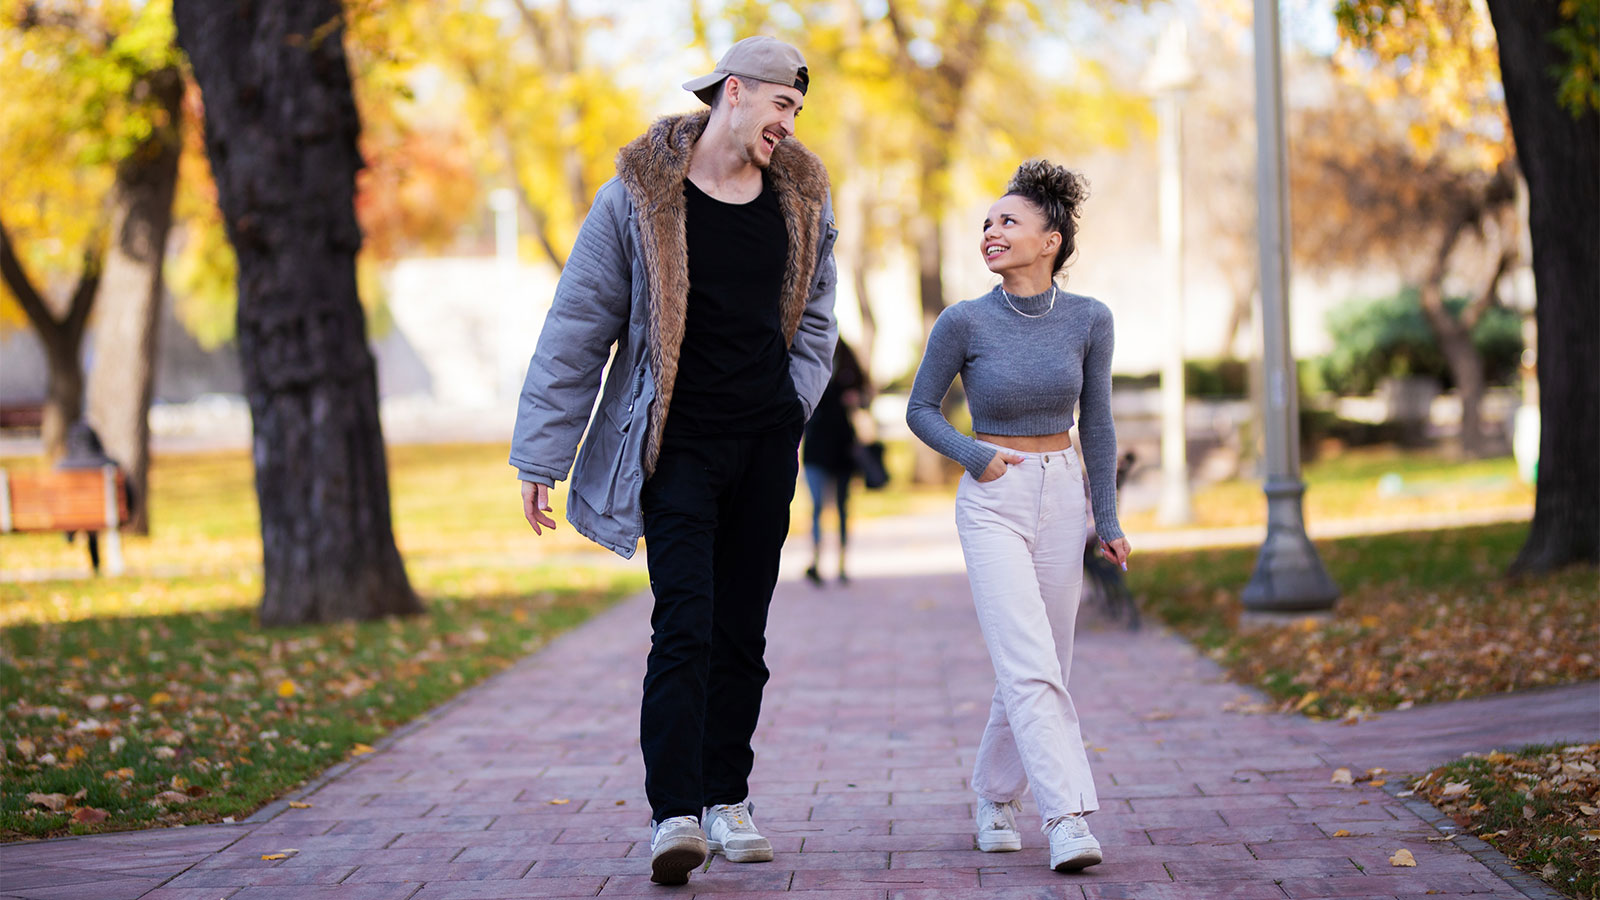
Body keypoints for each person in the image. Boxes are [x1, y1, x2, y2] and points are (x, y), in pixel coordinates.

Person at [508, 36, 838, 887]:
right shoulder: (638, 198)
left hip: (764, 445)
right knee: (684, 625)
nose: (788, 124)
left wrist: (793, 408)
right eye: (781, 106)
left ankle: (729, 797)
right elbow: (578, 327)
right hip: (676, 449)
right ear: (735, 92)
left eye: (795, 112)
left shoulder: (800, 197)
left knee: (743, 634)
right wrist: (542, 454)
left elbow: (815, 320)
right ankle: (676, 815)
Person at [905, 159, 1130, 873]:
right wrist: (975, 455)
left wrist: (1109, 518)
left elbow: (1097, 423)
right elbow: (918, 410)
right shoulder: (964, 321)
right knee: (1031, 662)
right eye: (986, 223)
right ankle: (1067, 817)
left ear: (1050, 240)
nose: (991, 233)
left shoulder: (1091, 319)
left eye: (1008, 222)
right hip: (994, 498)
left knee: (1042, 661)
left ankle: (994, 798)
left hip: (1063, 491)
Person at [801, 339, 866, 585]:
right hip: (817, 448)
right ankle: (816, 561)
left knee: (842, 507)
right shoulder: (809, 356)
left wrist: (857, 399)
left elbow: (865, 397)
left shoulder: (849, 361)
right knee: (817, 506)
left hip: (842, 448)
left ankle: (841, 563)